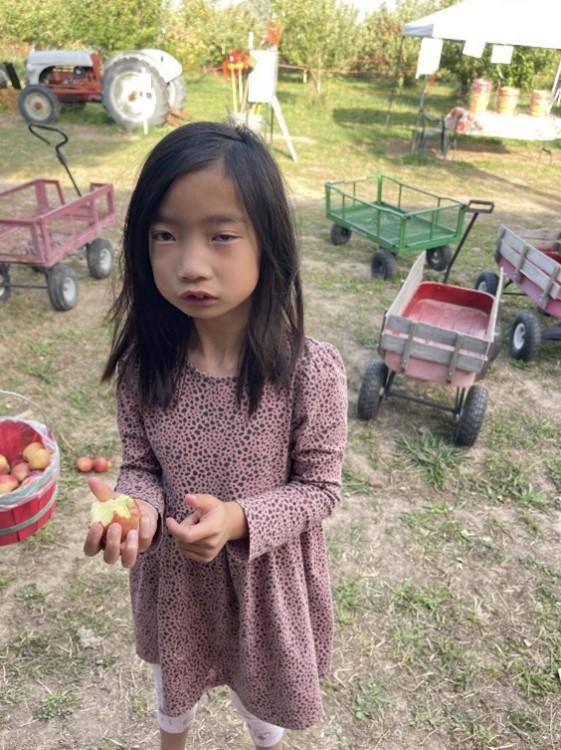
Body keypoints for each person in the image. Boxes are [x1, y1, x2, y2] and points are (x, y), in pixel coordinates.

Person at [84, 121, 348, 750]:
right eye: (165, 236)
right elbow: (141, 463)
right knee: (171, 703)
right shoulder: (145, 365)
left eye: (222, 235)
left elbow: (320, 488)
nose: (191, 263)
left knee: (265, 716)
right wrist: (138, 508)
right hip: (176, 581)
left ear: (268, 243)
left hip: (264, 584)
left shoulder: (308, 371)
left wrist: (237, 520)